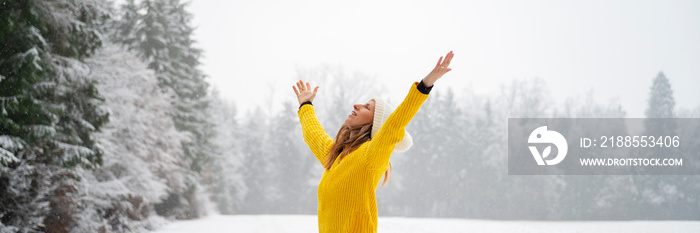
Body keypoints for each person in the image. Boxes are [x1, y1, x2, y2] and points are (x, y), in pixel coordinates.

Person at [293, 51, 454, 233]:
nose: (357, 105)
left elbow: (395, 123)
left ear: (376, 123)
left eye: (367, 107)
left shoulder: (371, 156)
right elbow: (313, 134)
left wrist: (425, 85)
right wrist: (305, 105)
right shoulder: (335, 155)